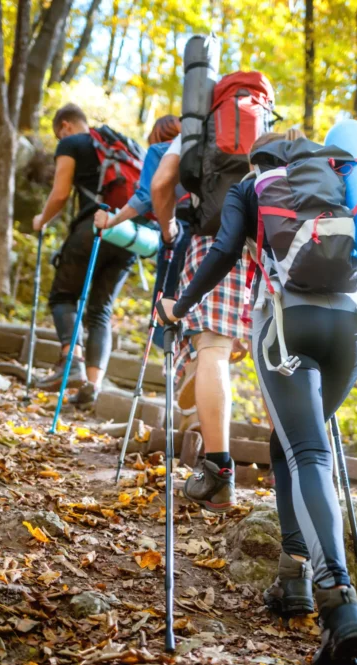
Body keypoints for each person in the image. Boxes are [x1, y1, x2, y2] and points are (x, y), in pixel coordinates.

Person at [156, 132, 357, 665]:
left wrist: (181, 305)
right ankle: (294, 577)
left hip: (287, 324)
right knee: (294, 444)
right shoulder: (343, 181)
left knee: (307, 452)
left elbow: (223, 251)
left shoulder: (253, 184)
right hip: (351, 330)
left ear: (261, 161)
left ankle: (338, 599)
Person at [150, 135, 252, 512]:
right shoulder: (267, 127)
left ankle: (218, 472)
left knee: (213, 347)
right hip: (267, 248)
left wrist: (168, 227)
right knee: (275, 359)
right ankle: (293, 475)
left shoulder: (196, 130)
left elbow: (161, 183)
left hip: (212, 242)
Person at [31, 104, 135, 406]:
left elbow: (61, 193)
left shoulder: (72, 142)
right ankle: (92, 386)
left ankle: (70, 360)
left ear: (65, 126)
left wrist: (42, 219)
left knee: (63, 296)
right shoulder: (123, 146)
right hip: (128, 234)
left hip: (94, 227)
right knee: (100, 310)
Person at [93, 115, 189, 320]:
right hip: (213, 236)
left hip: (178, 236)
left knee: (166, 314)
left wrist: (112, 221)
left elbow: (145, 197)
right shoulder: (202, 149)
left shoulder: (159, 152)